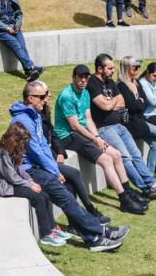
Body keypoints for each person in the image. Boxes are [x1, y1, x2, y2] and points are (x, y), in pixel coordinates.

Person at [10, 80, 130, 252]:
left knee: (68, 189)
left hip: (38, 166)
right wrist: (54, 171)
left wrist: (54, 167)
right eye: (42, 97)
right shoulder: (22, 120)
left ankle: (93, 237)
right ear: (30, 98)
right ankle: (100, 232)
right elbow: (35, 151)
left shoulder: (35, 115)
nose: (46, 100)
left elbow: (44, 145)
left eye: (47, 95)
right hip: (28, 171)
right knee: (65, 196)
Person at [53, 64, 149, 214]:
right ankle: (124, 199)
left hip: (82, 133)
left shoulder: (85, 93)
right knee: (106, 160)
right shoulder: (67, 96)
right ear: (73, 78)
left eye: (86, 77)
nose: (83, 80)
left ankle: (128, 192)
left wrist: (97, 136)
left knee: (116, 155)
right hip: (67, 136)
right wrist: (95, 139)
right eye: (80, 77)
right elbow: (75, 125)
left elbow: (88, 119)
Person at [86, 54, 156, 199]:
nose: (113, 71)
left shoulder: (109, 82)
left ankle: (152, 184)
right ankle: (146, 188)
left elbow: (121, 102)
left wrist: (110, 102)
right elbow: (104, 105)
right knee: (125, 158)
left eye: (114, 68)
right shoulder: (92, 83)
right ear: (99, 68)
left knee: (136, 155)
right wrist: (111, 103)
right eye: (110, 68)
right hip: (105, 128)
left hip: (120, 126)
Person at [36, 86, 112, 224]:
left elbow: (51, 133)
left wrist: (59, 152)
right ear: (32, 97)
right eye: (44, 95)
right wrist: (53, 167)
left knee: (70, 183)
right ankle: (89, 211)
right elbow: (35, 148)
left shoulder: (44, 109)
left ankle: (77, 221)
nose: (48, 97)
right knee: (74, 175)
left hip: (49, 153)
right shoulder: (30, 117)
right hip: (40, 161)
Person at [0, 122, 66, 248]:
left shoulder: (13, 150)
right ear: (14, 139)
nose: (24, 145)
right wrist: (29, 185)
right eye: (22, 141)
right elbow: (11, 177)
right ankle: (45, 234)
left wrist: (30, 181)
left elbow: (21, 171)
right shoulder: (3, 153)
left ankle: (52, 228)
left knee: (45, 195)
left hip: (17, 183)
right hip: (7, 187)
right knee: (39, 198)